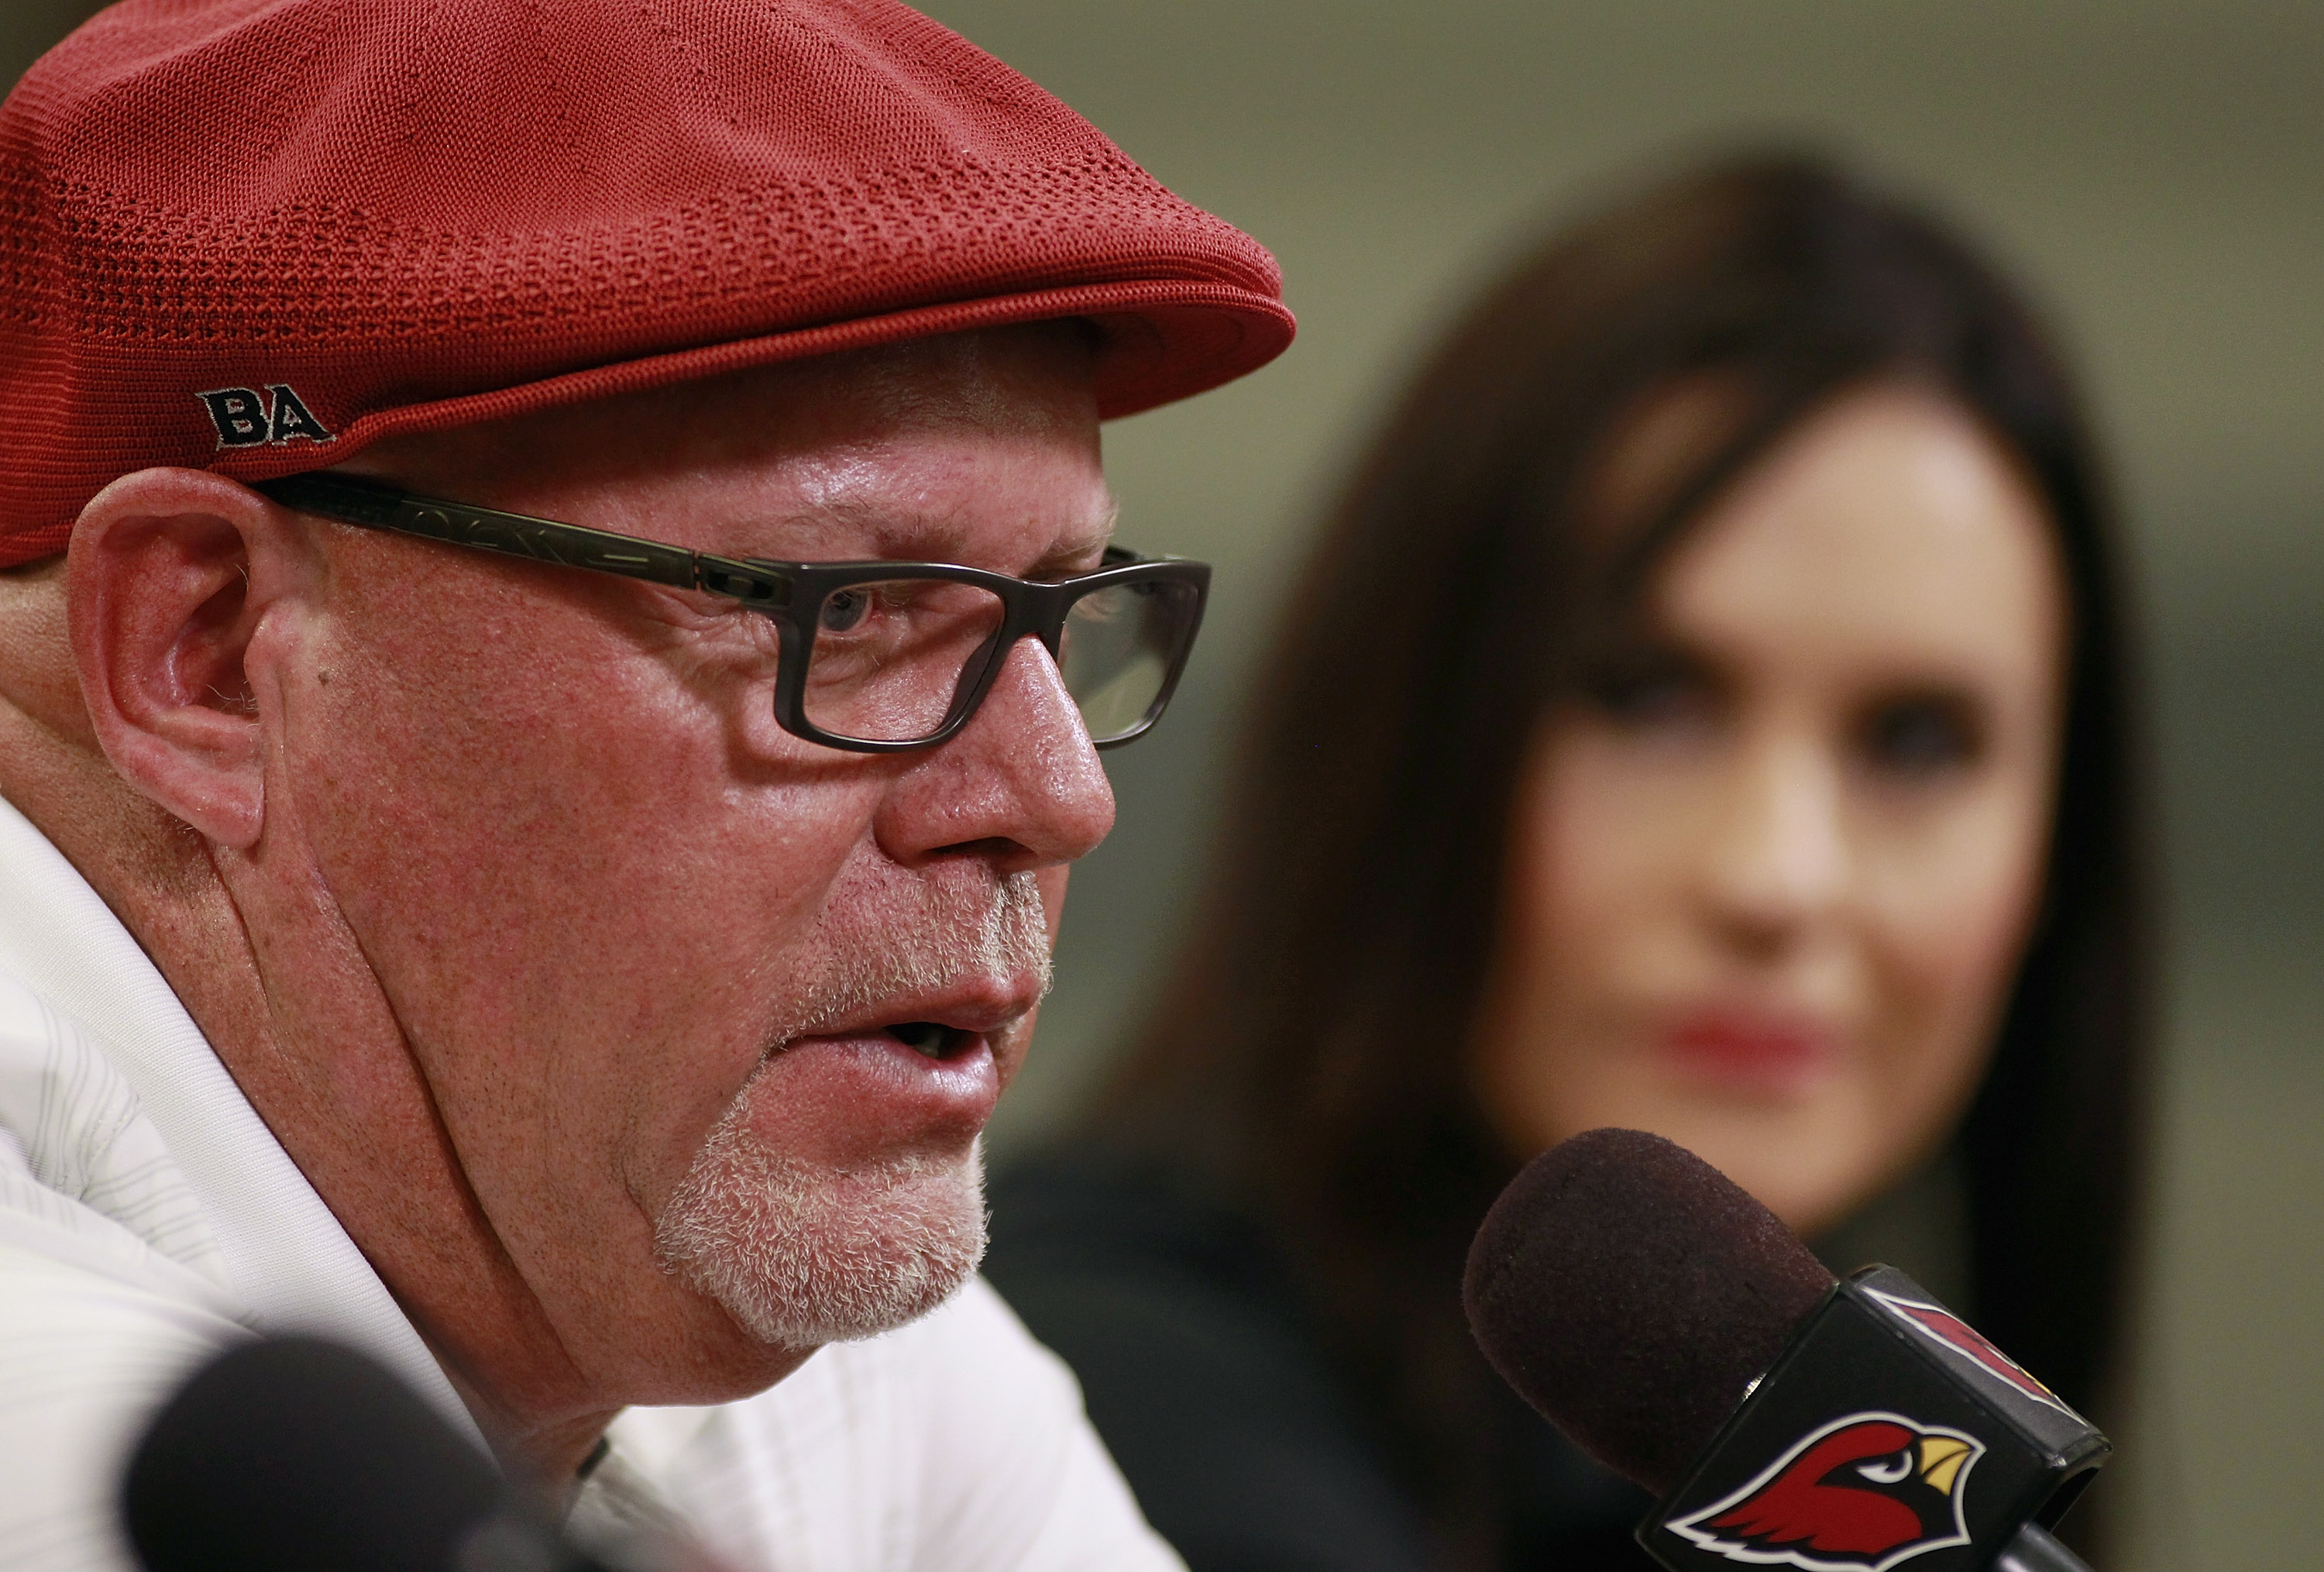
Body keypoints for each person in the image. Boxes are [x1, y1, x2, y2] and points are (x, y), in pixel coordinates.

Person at [0, 2, 1294, 1567]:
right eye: (854, 610)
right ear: (200, 651)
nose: (1057, 794)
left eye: (1059, 611)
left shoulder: (734, 1270)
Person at [985, 153, 2148, 1572]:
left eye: (1915, 743)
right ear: (1407, 737)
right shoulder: (1084, 1404)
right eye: (1645, 697)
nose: (1777, 877)